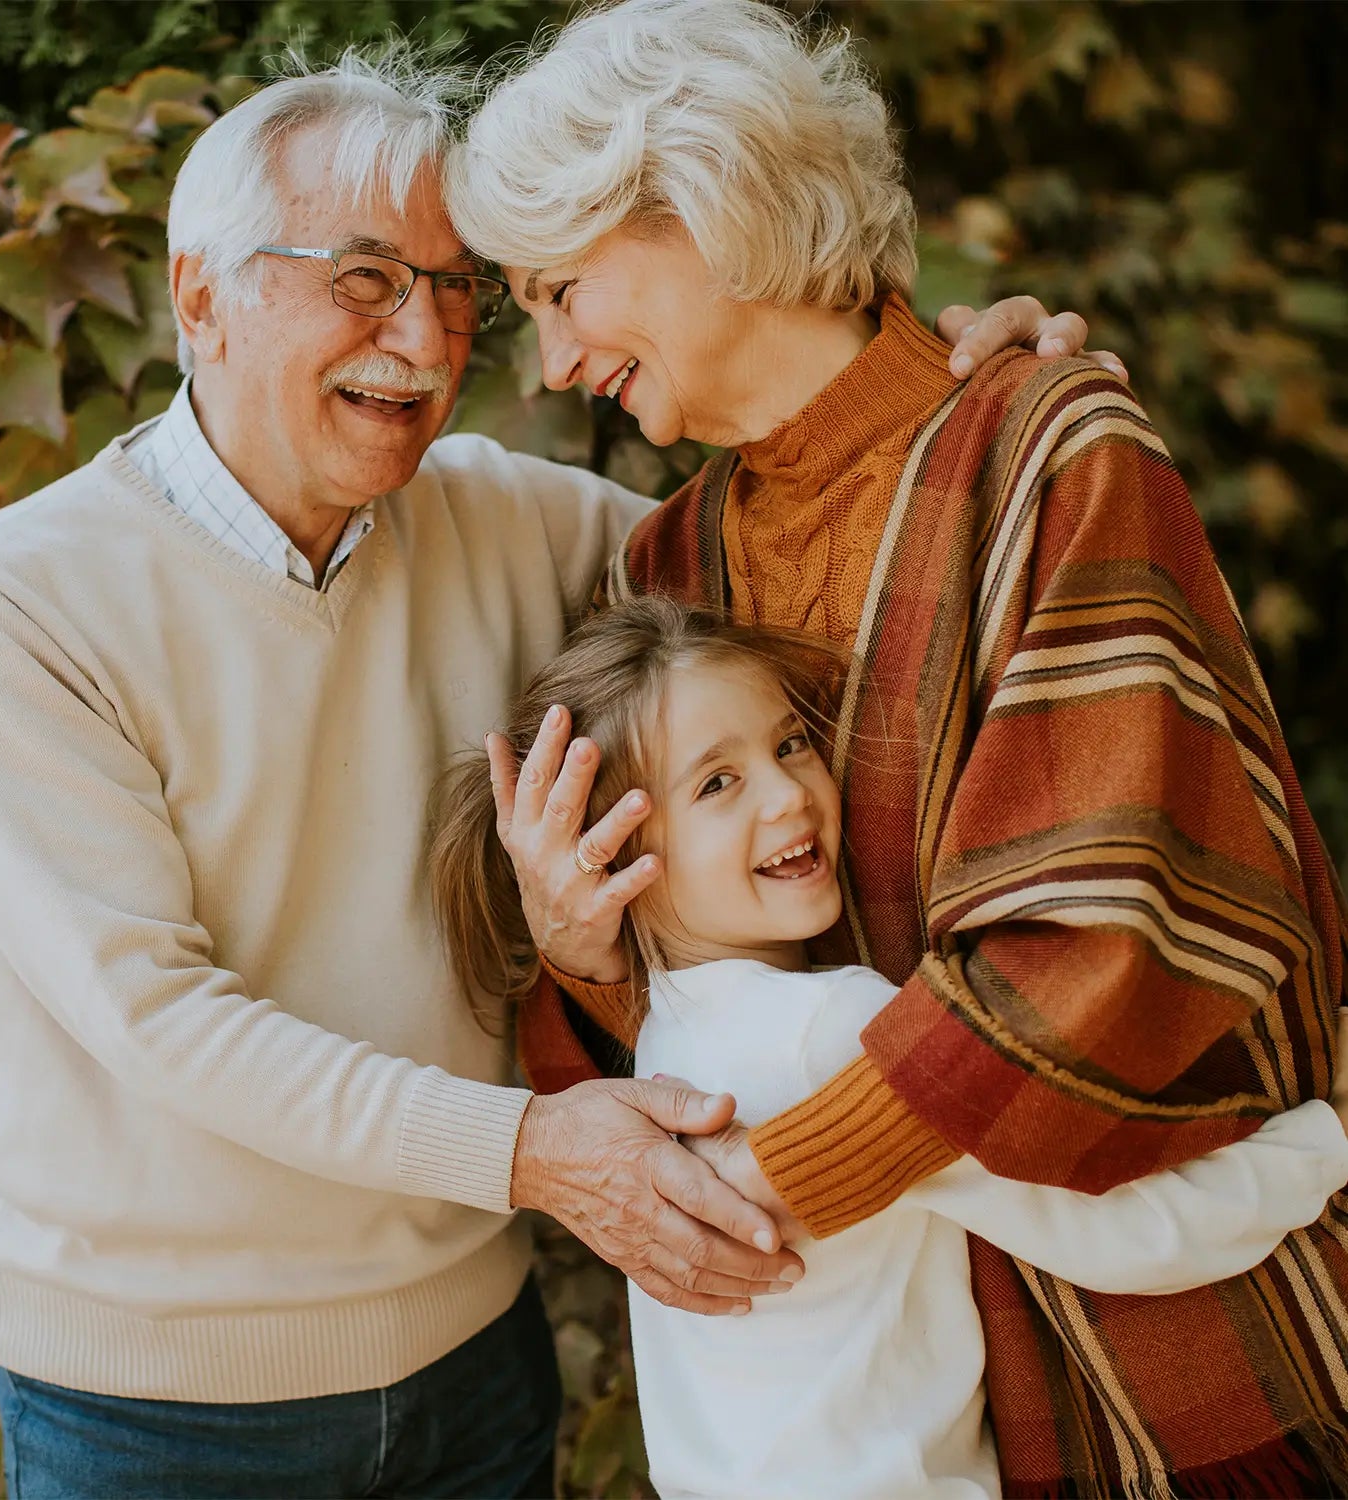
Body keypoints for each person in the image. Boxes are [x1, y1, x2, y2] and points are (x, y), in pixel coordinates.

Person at [0, 45, 1087, 1500]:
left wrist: (970, 405)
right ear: (200, 294)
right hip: (157, 1402)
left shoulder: (521, 527)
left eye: (456, 289)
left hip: (472, 1359)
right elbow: (160, 1017)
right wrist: (534, 1150)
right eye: (362, 280)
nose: (424, 339)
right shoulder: (9, 608)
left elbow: (812, 550)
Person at [447, 1, 1348, 1494]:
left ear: (697, 203)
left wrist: (773, 1179)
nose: (546, 365)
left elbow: (1110, 946)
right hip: (892, 1390)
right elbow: (690, 1024)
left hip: (1164, 1342)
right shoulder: (668, 568)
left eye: (560, 291)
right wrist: (585, 947)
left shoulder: (1055, 452)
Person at [430, 595, 1348, 1500]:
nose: (790, 791)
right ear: (613, 854)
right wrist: (1326, 1141)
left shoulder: (662, 1036)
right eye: (717, 782)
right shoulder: (828, 1031)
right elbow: (1124, 1233)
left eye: (789, 743)